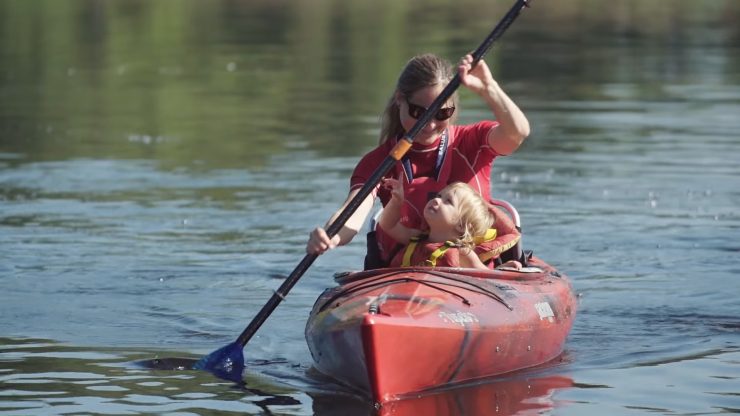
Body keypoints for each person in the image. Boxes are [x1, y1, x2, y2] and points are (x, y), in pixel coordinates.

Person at [306, 53, 530, 266]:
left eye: (441, 114)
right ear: (399, 100)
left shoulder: (472, 141)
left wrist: (488, 89)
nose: (430, 125)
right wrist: (330, 236)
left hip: (473, 274)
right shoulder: (379, 162)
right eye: (418, 113)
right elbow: (353, 212)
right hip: (405, 274)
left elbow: (517, 133)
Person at [379, 179, 520, 270]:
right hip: (402, 295)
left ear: (461, 225)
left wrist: (502, 270)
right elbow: (388, 225)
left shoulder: (463, 252)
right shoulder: (415, 238)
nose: (436, 200)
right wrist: (396, 202)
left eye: (448, 201)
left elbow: (484, 275)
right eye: (438, 196)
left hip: (439, 302)